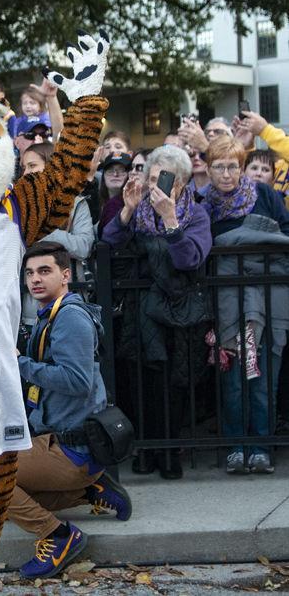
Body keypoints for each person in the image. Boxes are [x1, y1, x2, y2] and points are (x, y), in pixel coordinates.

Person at [10, 241, 131, 579]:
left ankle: (59, 536)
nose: (35, 279)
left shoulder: (70, 319)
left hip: (70, 449)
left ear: (66, 275)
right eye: (30, 273)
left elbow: (76, 381)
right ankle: (90, 491)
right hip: (65, 443)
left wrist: (20, 363)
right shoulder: (50, 314)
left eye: (44, 271)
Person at [102, 145, 213, 478]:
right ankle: (146, 452)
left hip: (177, 313)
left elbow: (189, 259)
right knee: (141, 383)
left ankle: (169, 455)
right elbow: (107, 243)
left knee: (173, 385)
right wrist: (126, 212)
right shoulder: (138, 210)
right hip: (141, 312)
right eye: (151, 178)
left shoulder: (195, 214)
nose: (156, 186)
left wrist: (170, 220)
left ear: (180, 182)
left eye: (163, 179)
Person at [201, 135, 289, 474]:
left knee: (265, 371)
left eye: (233, 167)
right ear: (208, 170)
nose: (227, 174)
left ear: (242, 168)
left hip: (268, 297)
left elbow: (283, 234)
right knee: (234, 375)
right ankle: (236, 445)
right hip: (228, 302)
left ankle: (261, 446)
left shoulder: (264, 194)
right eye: (220, 167)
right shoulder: (202, 205)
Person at [19, 144, 95, 324]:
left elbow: (84, 247)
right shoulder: (18, 207)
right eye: (23, 168)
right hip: (29, 308)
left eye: (32, 166)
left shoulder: (76, 203)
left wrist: (43, 229)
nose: (25, 174)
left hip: (69, 304)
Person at [97, 152, 132, 236]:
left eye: (121, 170)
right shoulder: (95, 201)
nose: (115, 174)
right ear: (103, 175)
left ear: (130, 174)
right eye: (110, 170)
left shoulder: (133, 205)